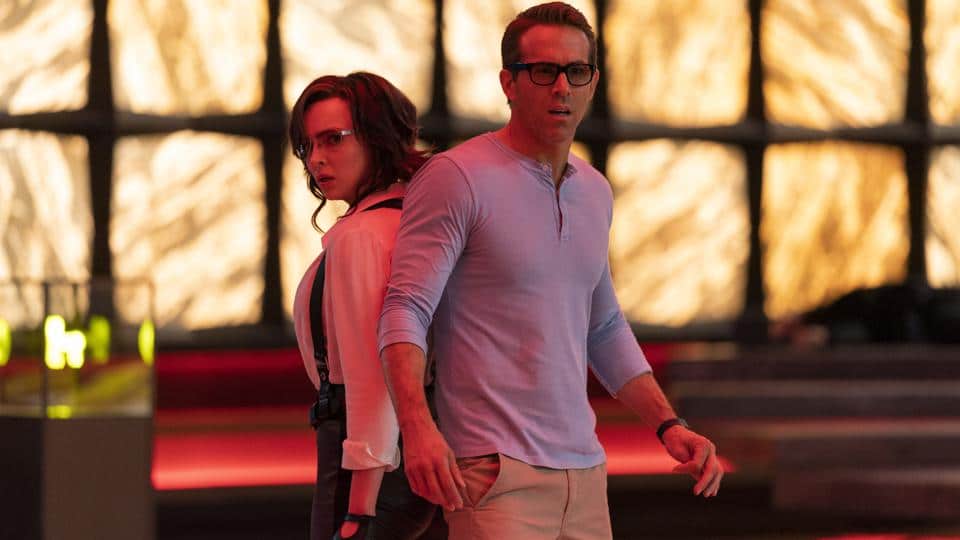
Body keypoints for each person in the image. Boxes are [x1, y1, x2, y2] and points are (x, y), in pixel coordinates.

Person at [377, 3, 724, 539]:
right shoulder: (456, 177)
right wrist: (418, 429)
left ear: (593, 82)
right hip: (493, 473)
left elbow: (603, 326)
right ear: (508, 83)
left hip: (585, 474)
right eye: (543, 71)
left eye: (576, 71)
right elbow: (405, 310)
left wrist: (668, 425)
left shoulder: (595, 190)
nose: (561, 87)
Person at [289, 72, 444, 540]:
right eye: (307, 145)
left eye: (333, 139)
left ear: (377, 136)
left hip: (367, 462)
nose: (316, 158)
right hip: (407, 450)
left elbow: (373, 378)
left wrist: (359, 511)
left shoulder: (362, 235)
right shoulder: (412, 216)